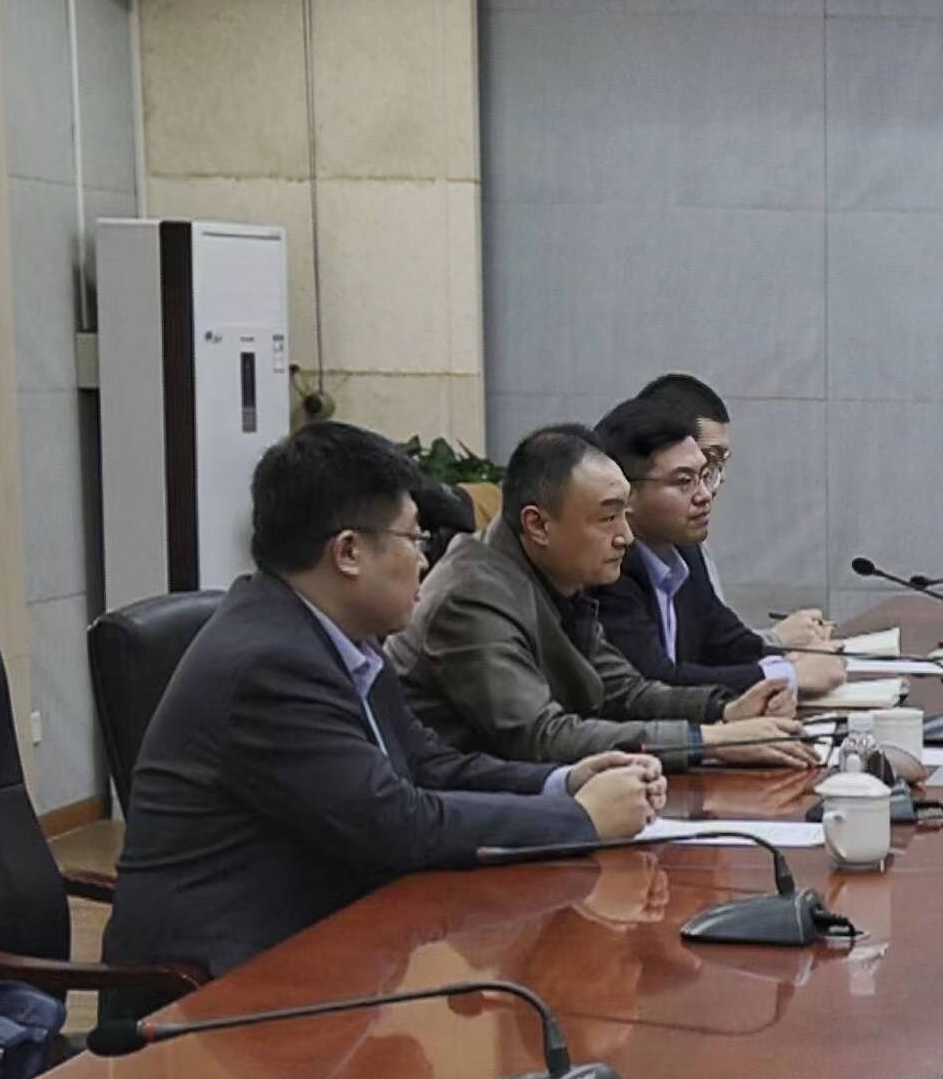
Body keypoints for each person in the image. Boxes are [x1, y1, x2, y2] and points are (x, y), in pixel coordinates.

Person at [104, 421, 665, 983]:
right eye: (414, 539)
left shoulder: (337, 635)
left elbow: (428, 765)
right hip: (222, 984)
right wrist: (581, 819)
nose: (424, 560)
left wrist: (563, 782)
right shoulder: (270, 665)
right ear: (348, 552)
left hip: (329, 943)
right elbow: (397, 825)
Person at [388, 424, 811, 768]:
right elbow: (540, 737)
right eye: (608, 518)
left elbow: (624, 692)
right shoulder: (472, 598)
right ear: (538, 525)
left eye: (624, 514)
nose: (626, 537)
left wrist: (723, 711)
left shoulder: (558, 574)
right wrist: (712, 741)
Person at [587, 395, 844, 699]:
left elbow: (727, 643)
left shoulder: (683, 552)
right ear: (625, 494)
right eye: (684, 481)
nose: (705, 495)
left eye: (705, 476)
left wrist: (788, 658)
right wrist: (789, 676)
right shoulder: (609, 569)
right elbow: (656, 682)